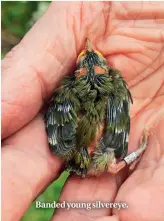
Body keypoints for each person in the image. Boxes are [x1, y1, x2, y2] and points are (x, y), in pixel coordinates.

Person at [2, 2, 164, 221]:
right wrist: (133, 150)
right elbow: (117, 127)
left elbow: (59, 123)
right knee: (112, 165)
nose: (88, 46)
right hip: (98, 158)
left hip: (76, 157)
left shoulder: (67, 90)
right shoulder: (115, 88)